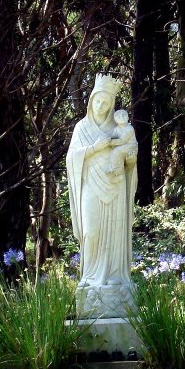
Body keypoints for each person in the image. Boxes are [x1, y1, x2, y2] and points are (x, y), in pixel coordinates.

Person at [65, 74, 137, 315]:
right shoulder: (81, 128)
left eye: (106, 103)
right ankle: (90, 277)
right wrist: (94, 149)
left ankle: (115, 276)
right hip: (90, 186)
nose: (101, 106)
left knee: (115, 234)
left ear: (111, 106)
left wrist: (129, 156)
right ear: (91, 101)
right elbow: (71, 159)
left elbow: (131, 159)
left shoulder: (119, 128)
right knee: (91, 232)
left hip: (115, 187)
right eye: (98, 101)